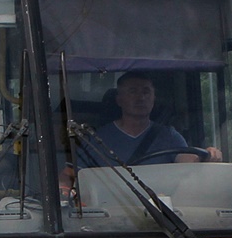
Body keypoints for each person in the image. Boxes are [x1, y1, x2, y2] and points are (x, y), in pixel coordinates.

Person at [61, 71, 221, 195]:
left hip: (159, 215)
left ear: (153, 98)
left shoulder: (169, 136)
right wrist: (65, 190)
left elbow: (188, 163)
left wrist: (208, 156)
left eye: (146, 92)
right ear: (119, 99)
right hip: (108, 215)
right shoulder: (97, 138)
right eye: (133, 91)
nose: (141, 97)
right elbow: (69, 175)